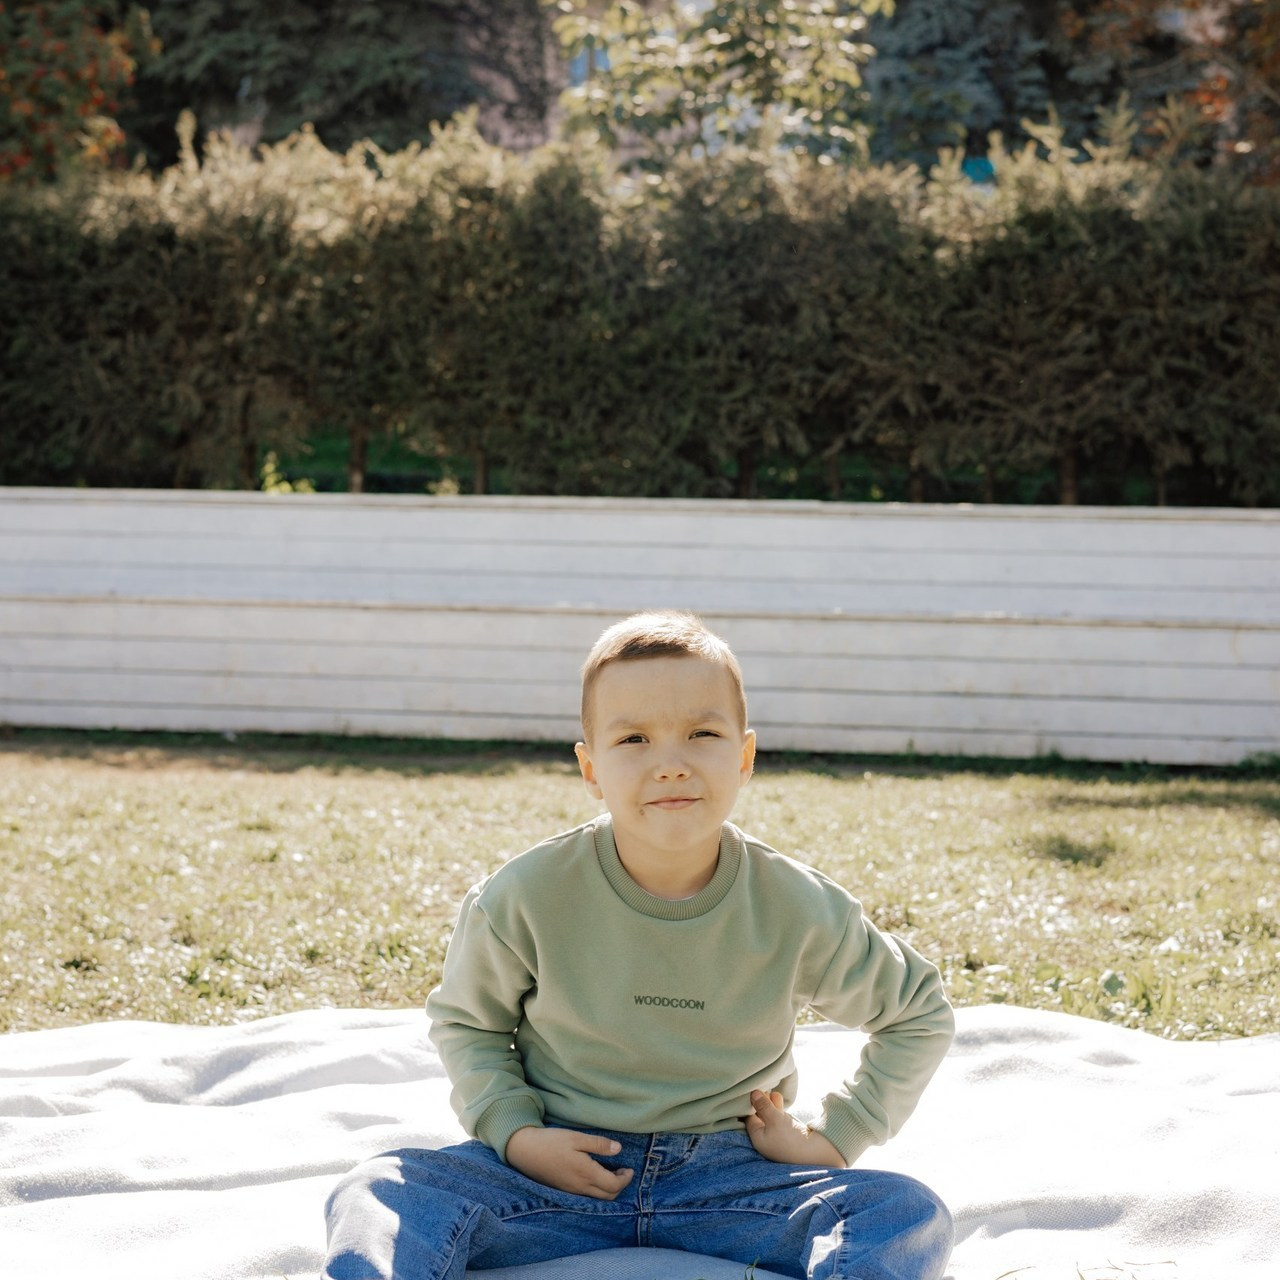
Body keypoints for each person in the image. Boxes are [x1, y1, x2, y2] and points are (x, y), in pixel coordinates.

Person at [325, 611, 955, 1280]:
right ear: (590, 768)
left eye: (702, 733)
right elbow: (468, 1024)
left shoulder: (796, 905)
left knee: (904, 1213)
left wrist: (835, 1139)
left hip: (731, 1179)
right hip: (560, 1172)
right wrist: (518, 1135)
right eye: (633, 739)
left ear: (743, 758)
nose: (671, 764)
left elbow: (917, 1012)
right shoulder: (527, 894)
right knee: (380, 1190)